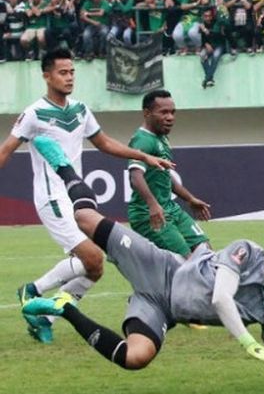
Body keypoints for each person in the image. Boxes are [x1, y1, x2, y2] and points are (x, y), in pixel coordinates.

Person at [21, 135, 264, 391]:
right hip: (161, 268)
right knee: (84, 218)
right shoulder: (246, 251)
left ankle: (65, 306)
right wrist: (247, 342)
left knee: (135, 358)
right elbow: (221, 297)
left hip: (164, 308)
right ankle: (64, 166)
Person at [0, 49, 171, 344]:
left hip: (76, 196)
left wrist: (142, 155)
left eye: (72, 72)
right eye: (62, 73)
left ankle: (45, 315)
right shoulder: (34, 113)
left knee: (95, 267)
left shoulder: (79, 109)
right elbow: (5, 151)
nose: (69, 78)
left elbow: (103, 143)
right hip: (53, 198)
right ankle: (33, 292)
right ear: (47, 76)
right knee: (92, 257)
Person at [127, 90, 211, 256]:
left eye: (172, 112)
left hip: (171, 209)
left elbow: (165, 178)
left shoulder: (161, 138)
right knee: (186, 261)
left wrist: (190, 199)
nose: (170, 117)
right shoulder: (143, 140)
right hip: (148, 214)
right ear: (147, 113)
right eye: (163, 112)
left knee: (205, 251)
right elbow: (135, 177)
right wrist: (153, 205)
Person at [199, 8, 227, 87]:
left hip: (219, 44)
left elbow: (217, 36)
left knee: (215, 56)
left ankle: (207, 78)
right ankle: (210, 79)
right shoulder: (202, 24)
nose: (207, 18)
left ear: (212, 16)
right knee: (202, 56)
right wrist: (206, 44)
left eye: (209, 16)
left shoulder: (216, 23)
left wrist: (205, 30)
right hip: (209, 45)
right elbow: (203, 38)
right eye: (205, 16)